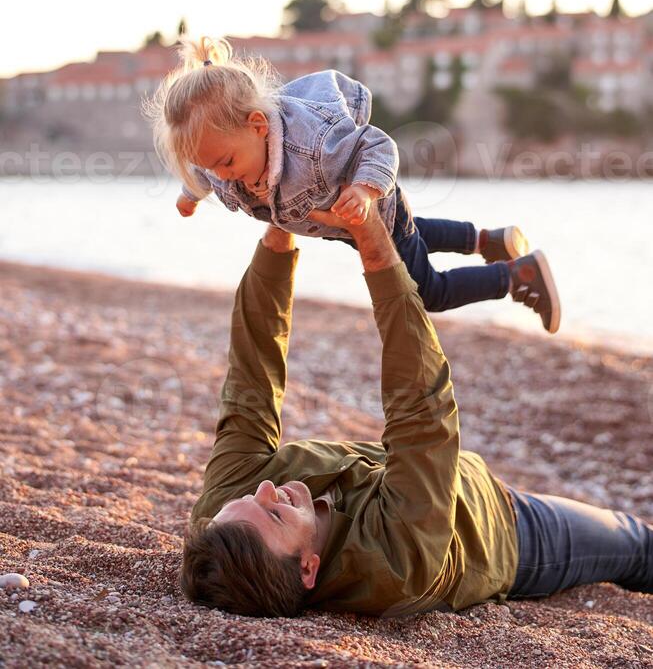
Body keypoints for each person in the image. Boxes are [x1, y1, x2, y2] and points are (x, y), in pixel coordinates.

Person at [180, 204, 652, 618]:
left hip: (462, 480)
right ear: (308, 568)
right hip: (510, 535)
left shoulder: (224, 512)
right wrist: (376, 252)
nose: (265, 490)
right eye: (277, 516)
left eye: (243, 501)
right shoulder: (393, 566)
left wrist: (278, 235)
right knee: (635, 545)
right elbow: (421, 412)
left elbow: (252, 380)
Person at [145, 35, 561, 332]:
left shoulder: (316, 144)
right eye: (209, 166)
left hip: (369, 208)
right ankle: (488, 239)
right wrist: (190, 195)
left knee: (427, 291)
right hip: (338, 224)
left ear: (257, 126)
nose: (220, 173)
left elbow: (378, 145)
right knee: (414, 232)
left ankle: (518, 275)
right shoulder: (220, 159)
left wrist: (364, 190)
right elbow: (203, 170)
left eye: (226, 162)